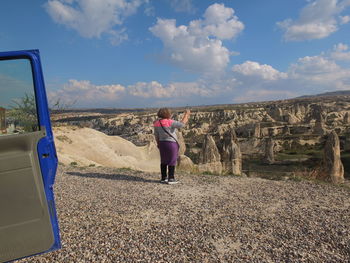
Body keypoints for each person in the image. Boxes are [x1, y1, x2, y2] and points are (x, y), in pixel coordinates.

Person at [153, 108, 190, 184]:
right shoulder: (170, 122)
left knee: (163, 160)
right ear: (168, 114)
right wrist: (186, 114)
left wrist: (158, 144)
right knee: (172, 160)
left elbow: (156, 135)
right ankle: (171, 178)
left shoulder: (156, 123)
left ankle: (163, 178)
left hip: (162, 143)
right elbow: (182, 124)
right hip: (171, 144)